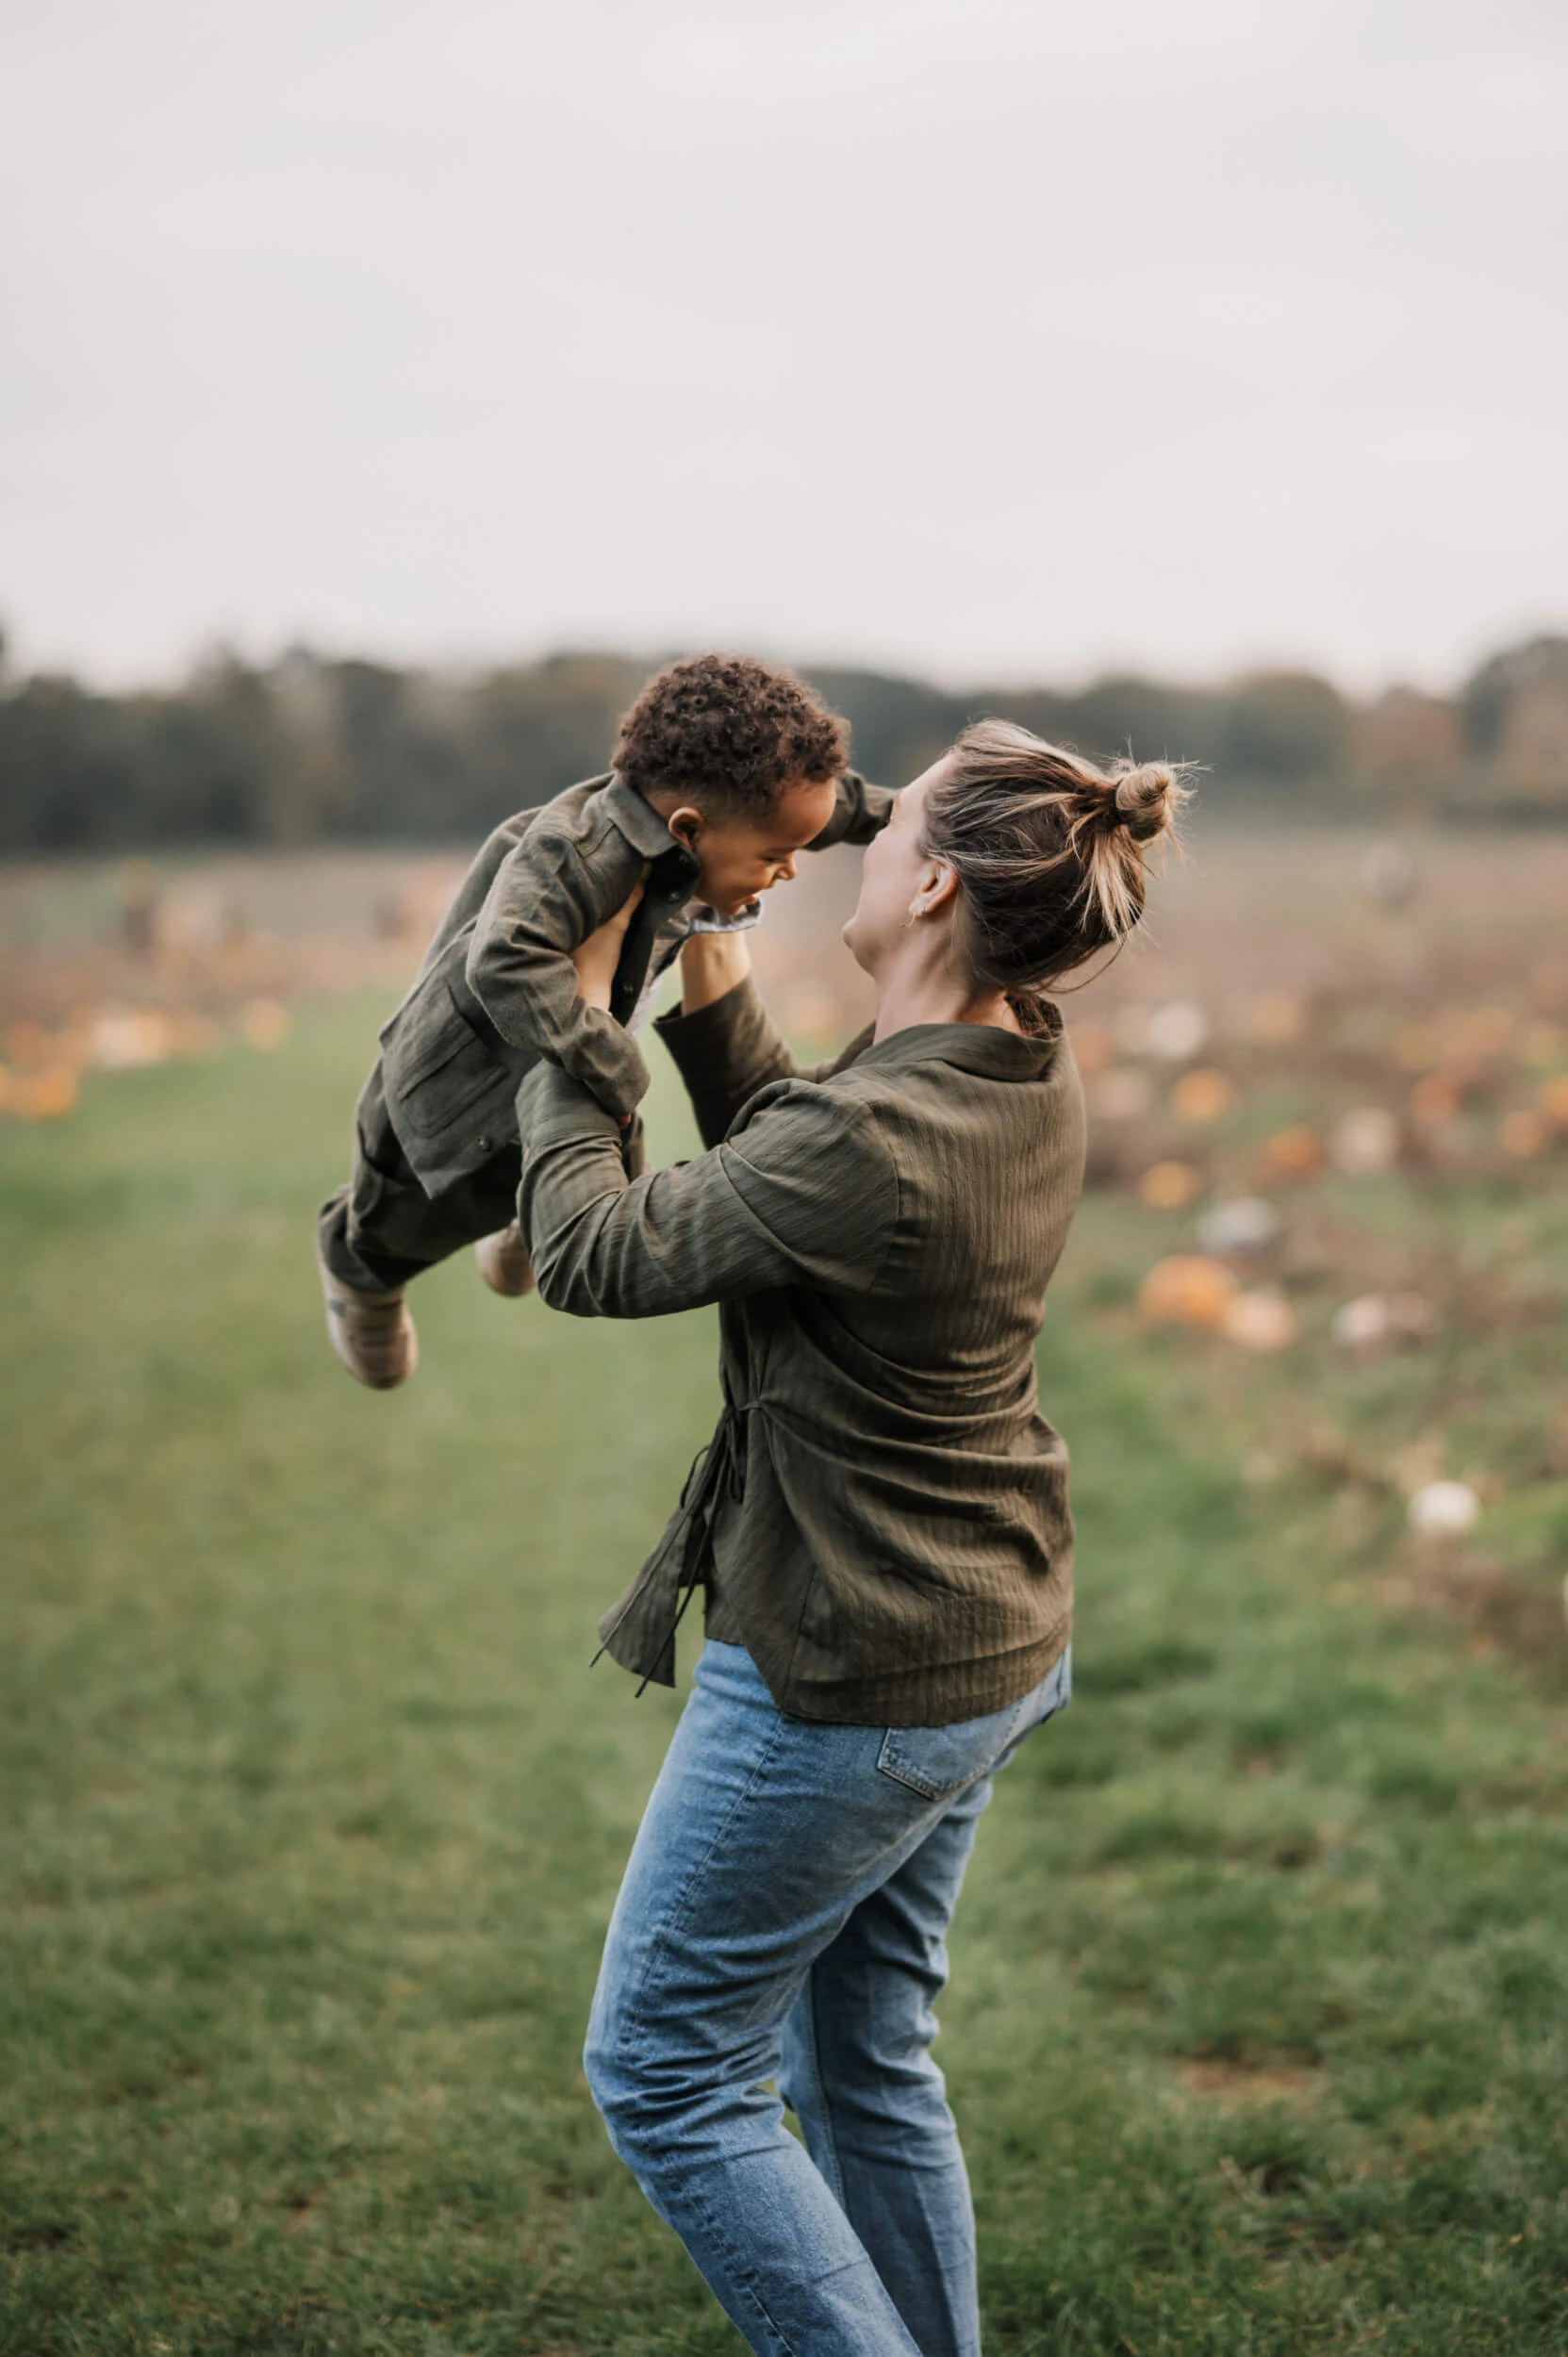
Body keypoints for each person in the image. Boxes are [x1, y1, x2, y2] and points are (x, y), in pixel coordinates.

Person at [513, 718, 1190, 2355]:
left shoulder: (879, 1137)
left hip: (850, 1674)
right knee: (865, 2055)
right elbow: (803, 1172)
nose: (852, 849)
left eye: (882, 838)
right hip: (981, 1642)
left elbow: (592, 1250)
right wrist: (708, 965)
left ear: (937, 882)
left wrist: (562, 1018)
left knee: (668, 2070)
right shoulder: (1014, 1057)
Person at [314, 653, 892, 1388]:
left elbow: (836, 805)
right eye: (777, 855)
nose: (791, 870)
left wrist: (915, 814)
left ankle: (535, 1212)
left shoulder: (723, 810)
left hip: (570, 1056)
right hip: (464, 1080)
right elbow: (503, 961)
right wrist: (611, 1057)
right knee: (402, 1216)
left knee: (608, 1173)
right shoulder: (572, 854)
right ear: (687, 830)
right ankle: (357, 1273)